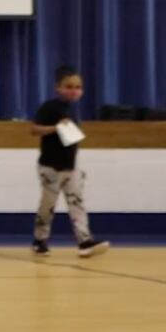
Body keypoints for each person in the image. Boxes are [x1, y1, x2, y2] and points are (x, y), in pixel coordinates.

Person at [29, 65, 110, 257]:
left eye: (78, 87)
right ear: (58, 87)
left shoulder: (72, 110)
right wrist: (55, 128)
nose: (74, 90)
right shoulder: (50, 107)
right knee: (48, 205)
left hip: (70, 166)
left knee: (77, 203)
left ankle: (85, 241)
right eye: (69, 86)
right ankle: (40, 239)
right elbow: (35, 130)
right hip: (50, 166)